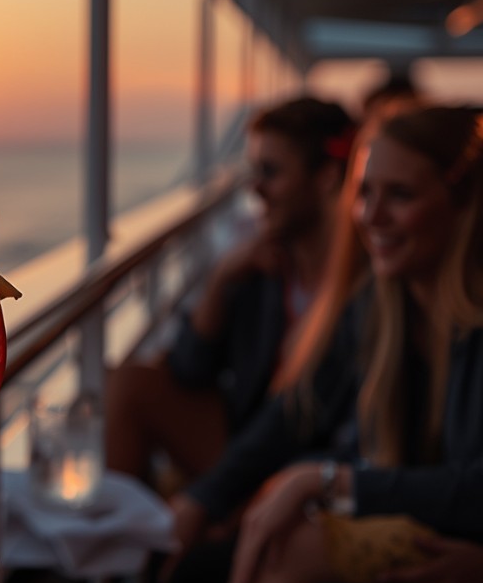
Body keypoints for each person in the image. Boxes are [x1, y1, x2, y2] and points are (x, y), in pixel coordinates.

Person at [168, 105, 483, 583]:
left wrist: (328, 482)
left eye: (399, 195)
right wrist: (203, 499)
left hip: (457, 550)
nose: (371, 218)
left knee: (292, 565)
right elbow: (295, 411)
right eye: (365, 193)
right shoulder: (380, 305)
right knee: (206, 570)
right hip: (417, 521)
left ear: (464, 203)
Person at [105, 97, 355, 493]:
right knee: (125, 384)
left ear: (326, 176)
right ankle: (121, 543)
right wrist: (222, 280)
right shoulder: (264, 270)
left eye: (270, 172)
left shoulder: (363, 285)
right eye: (254, 171)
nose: (256, 189)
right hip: (248, 438)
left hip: (310, 465)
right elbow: (190, 369)